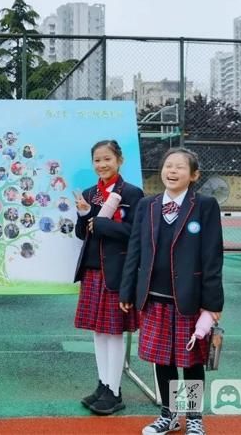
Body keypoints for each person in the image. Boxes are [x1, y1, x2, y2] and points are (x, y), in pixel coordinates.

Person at [120, 147, 223, 435]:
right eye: (168, 166)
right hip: (154, 298)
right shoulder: (147, 205)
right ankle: (168, 414)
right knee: (161, 358)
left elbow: (213, 255)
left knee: (190, 361)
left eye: (180, 167)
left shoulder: (205, 206)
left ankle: (193, 418)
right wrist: (128, 291)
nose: (172, 171)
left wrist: (212, 303)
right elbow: (136, 251)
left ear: (194, 175)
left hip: (189, 299)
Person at [73, 139, 144, 415]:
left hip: (117, 272)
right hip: (92, 270)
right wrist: (83, 215)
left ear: (119, 161)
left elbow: (135, 235)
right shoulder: (90, 193)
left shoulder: (132, 194)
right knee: (98, 331)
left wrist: (103, 224)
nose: (102, 165)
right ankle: (103, 384)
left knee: (113, 332)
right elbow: (84, 234)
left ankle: (115, 391)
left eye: (107, 159)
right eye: (97, 160)